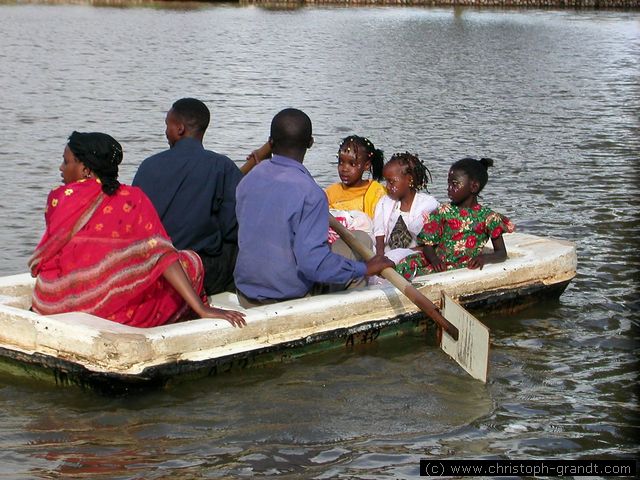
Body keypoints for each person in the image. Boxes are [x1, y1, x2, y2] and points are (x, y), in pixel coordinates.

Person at [29, 131, 246, 328]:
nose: (61, 167)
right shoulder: (132, 198)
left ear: (86, 169)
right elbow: (163, 255)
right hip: (106, 313)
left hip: (50, 303)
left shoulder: (59, 199)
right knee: (191, 261)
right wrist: (201, 308)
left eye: (66, 162)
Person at [234, 108, 394, 308]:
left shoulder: (248, 180)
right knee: (360, 247)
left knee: (354, 241)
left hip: (245, 293)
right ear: (310, 142)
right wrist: (365, 268)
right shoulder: (311, 193)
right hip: (286, 298)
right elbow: (313, 265)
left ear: (271, 142)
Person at [132, 98, 243, 296]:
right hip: (198, 268)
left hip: (153, 263)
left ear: (180, 128)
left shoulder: (148, 165)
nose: (165, 131)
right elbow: (233, 227)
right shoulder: (222, 166)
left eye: (167, 125)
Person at [394, 157, 515, 279]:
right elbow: (428, 245)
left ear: (474, 187)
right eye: (448, 183)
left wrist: (484, 258)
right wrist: (435, 260)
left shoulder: (489, 218)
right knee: (403, 265)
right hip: (438, 262)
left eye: (455, 184)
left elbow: (501, 253)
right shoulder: (444, 211)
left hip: (461, 265)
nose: (449, 188)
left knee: (417, 276)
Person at [373, 152, 439, 266]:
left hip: (415, 255)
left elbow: (430, 242)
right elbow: (379, 233)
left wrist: (401, 254)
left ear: (409, 180)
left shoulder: (428, 205)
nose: (387, 187)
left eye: (391, 182)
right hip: (387, 254)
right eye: (386, 181)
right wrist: (380, 256)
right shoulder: (385, 202)